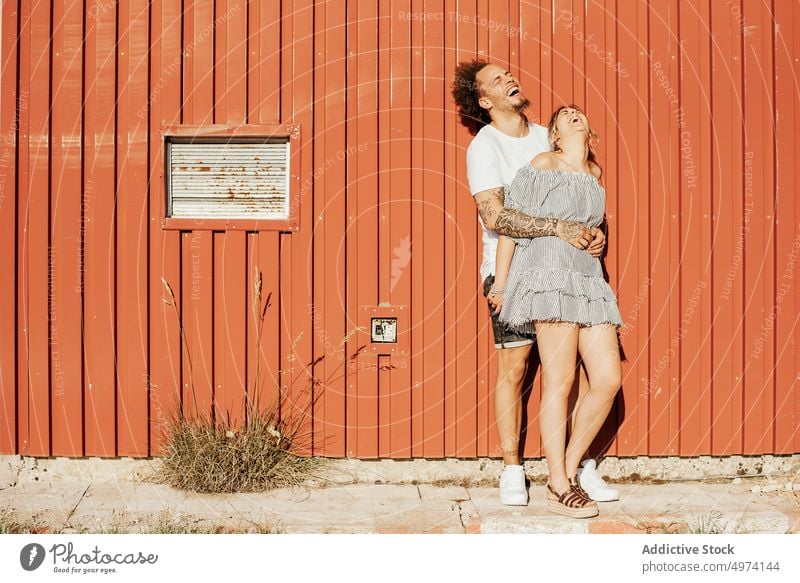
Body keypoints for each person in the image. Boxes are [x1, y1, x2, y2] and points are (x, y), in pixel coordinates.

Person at [452, 59, 619, 506]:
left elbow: (581, 193)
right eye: (496, 80)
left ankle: (573, 467)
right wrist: (555, 232)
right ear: (484, 101)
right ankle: (512, 466)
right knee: (517, 367)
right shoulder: (485, 148)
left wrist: (593, 235)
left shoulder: (550, 137)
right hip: (512, 269)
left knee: (588, 372)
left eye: (510, 73)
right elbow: (496, 215)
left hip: (572, 272)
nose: (510, 78)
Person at [491, 105, 623, 518]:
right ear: (554, 135)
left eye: (578, 112)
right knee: (560, 380)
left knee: (607, 378)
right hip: (547, 275)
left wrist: (599, 237)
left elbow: (590, 224)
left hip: (587, 279)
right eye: (564, 115)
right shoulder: (543, 162)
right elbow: (509, 221)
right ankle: (560, 484)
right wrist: (501, 281)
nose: (573, 114)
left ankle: (564, 471)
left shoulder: (595, 176)